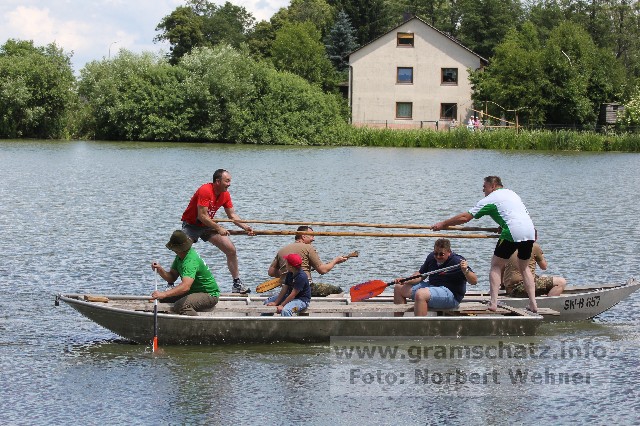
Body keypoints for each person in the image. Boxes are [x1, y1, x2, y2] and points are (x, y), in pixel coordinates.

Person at [432, 176, 538, 312]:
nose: (483, 190)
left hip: (512, 231)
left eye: (484, 187)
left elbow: (465, 217)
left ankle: (493, 303)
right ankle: (533, 304)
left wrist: (443, 224)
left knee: (496, 265)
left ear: (493, 186)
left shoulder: (491, 199)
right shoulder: (512, 193)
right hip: (529, 231)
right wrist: (502, 226)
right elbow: (514, 214)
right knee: (524, 268)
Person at [181, 168, 254, 294]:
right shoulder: (205, 190)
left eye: (230, 181)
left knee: (231, 250)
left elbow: (232, 215)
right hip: (192, 225)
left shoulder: (225, 194)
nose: (229, 184)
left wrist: (245, 227)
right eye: (227, 181)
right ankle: (171, 284)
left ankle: (237, 283)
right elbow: (202, 216)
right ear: (217, 181)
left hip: (208, 225)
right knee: (182, 251)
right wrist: (219, 228)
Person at [394, 238, 477, 316]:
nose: (438, 257)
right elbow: (420, 275)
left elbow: (474, 281)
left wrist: (465, 270)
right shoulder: (431, 257)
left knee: (420, 294)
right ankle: (397, 323)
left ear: (449, 252)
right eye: (436, 253)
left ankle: (420, 325)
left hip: (452, 295)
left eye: (441, 254)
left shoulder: (457, 261)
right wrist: (405, 280)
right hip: (432, 287)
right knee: (398, 288)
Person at [150, 230, 220, 316]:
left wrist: (164, 294)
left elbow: (185, 287)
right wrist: (160, 270)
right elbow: (172, 277)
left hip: (209, 294)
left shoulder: (190, 261)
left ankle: (197, 322)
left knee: (180, 305)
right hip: (193, 291)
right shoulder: (179, 257)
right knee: (163, 299)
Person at [267, 225, 348, 296]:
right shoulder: (308, 248)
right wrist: (335, 261)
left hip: (287, 289)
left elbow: (271, 272)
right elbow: (322, 270)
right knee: (337, 290)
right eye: (311, 236)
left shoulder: (282, 250)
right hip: (304, 288)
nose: (313, 239)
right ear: (303, 236)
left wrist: (286, 273)